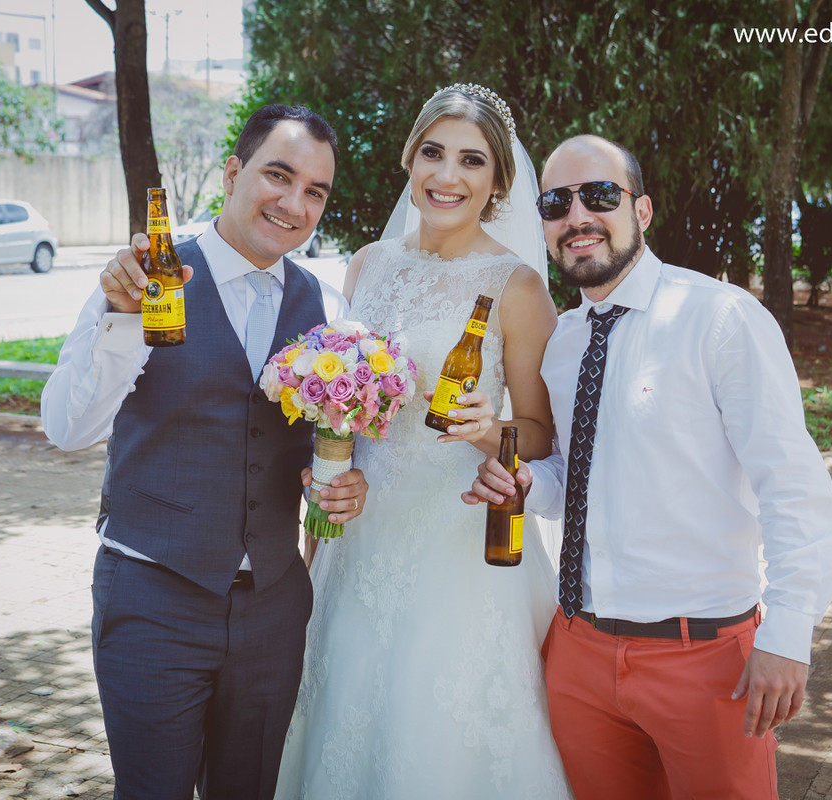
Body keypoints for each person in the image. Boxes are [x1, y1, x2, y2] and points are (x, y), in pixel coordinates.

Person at [464, 134, 832, 799]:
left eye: (600, 195)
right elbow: (574, 477)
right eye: (556, 203)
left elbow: (794, 487)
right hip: (578, 655)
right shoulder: (563, 343)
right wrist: (530, 483)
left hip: (703, 658)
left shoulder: (721, 319)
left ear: (641, 211)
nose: (577, 216)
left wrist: (787, 636)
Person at [41, 105, 369, 800]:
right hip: (153, 597)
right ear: (233, 172)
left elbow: (324, 441)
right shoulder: (143, 279)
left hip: (275, 607)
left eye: (315, 191)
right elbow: (67, 429)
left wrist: (343, 481)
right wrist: (122, 322)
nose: (294, 203)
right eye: (278, 176)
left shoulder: (328, 309)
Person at [275, 85, 572, 799]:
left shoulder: (517, 284)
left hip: (459, 544)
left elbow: (540, 435)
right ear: (410, 158)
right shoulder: (367, 265)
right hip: (360, 536)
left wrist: (489, 431)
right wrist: (325, 486)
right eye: (433, 152)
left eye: (472, 160)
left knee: (437, 739)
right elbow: (345, 409)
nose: (448, 175)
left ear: (497, 181)